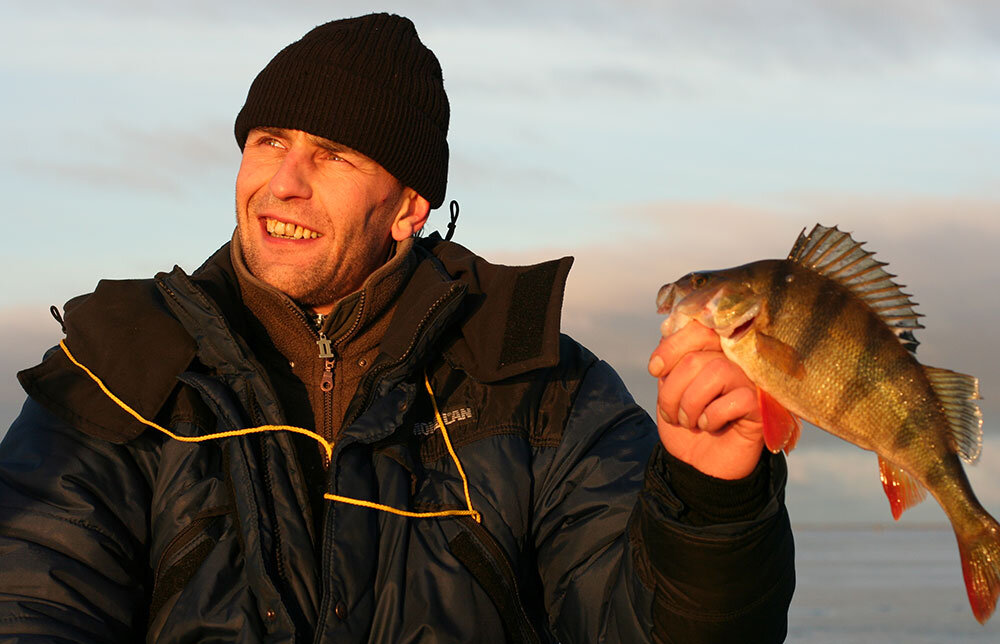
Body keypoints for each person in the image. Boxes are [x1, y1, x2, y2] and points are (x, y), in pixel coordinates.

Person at [0, 13, 794, 643]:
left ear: (409, 208)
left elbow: (653, 628)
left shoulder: (544, 392)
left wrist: (709, 502)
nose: (283, 184)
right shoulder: (114, 373)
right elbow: (31, 601)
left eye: (332, 155)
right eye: (268, 142)